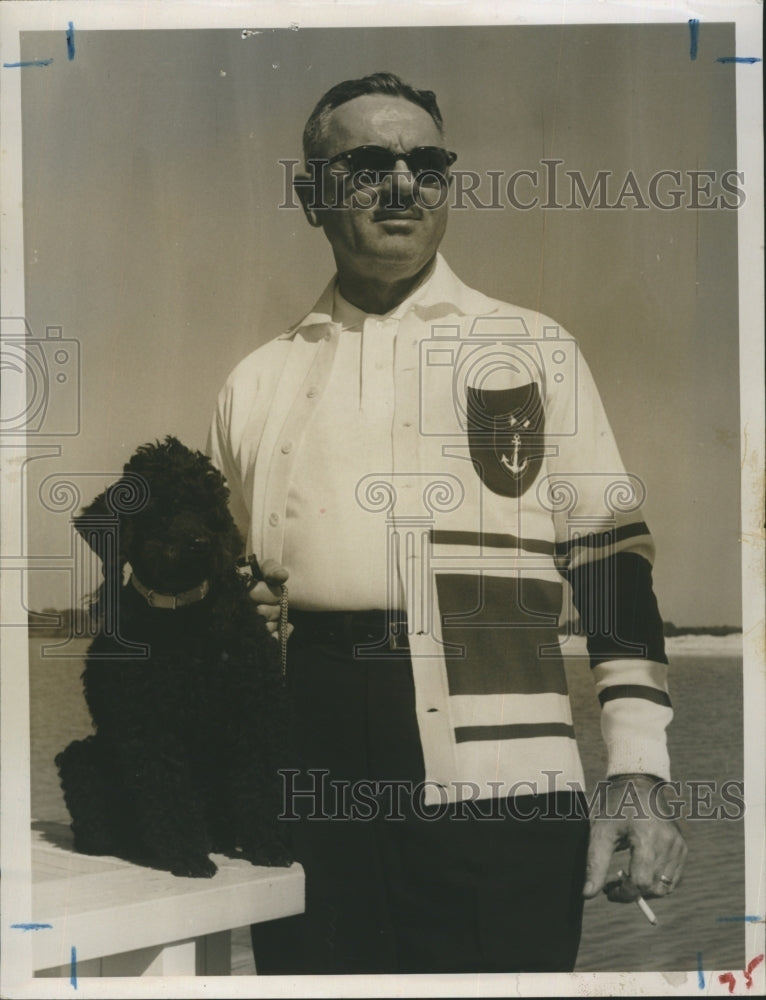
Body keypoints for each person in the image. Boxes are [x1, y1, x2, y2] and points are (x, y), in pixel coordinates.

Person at [207, 72, 687, 975]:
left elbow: (612, 561)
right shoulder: (253, 383)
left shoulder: (534, 346)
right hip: (305, 786)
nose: (402, 184)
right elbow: (226, 601)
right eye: (366, 163)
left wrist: (637, 769)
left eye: (426, 162)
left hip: (504, 796)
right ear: (312, 195)